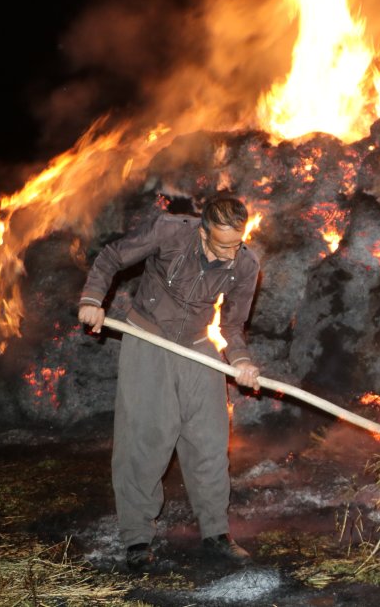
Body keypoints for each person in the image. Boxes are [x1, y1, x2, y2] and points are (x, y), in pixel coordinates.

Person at [78, 195, 261, 571]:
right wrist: (93, 299)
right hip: (148, 338)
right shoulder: (170, 232)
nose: (231, 252)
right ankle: (137, 538)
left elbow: (231, 326)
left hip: (197, 346)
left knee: (210, 439)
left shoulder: (245, 263)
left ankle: (216, 532)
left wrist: (241, 362)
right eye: (223, 244)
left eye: (237, 243)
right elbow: (111, 256)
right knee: (146, 439)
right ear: (203, 231)